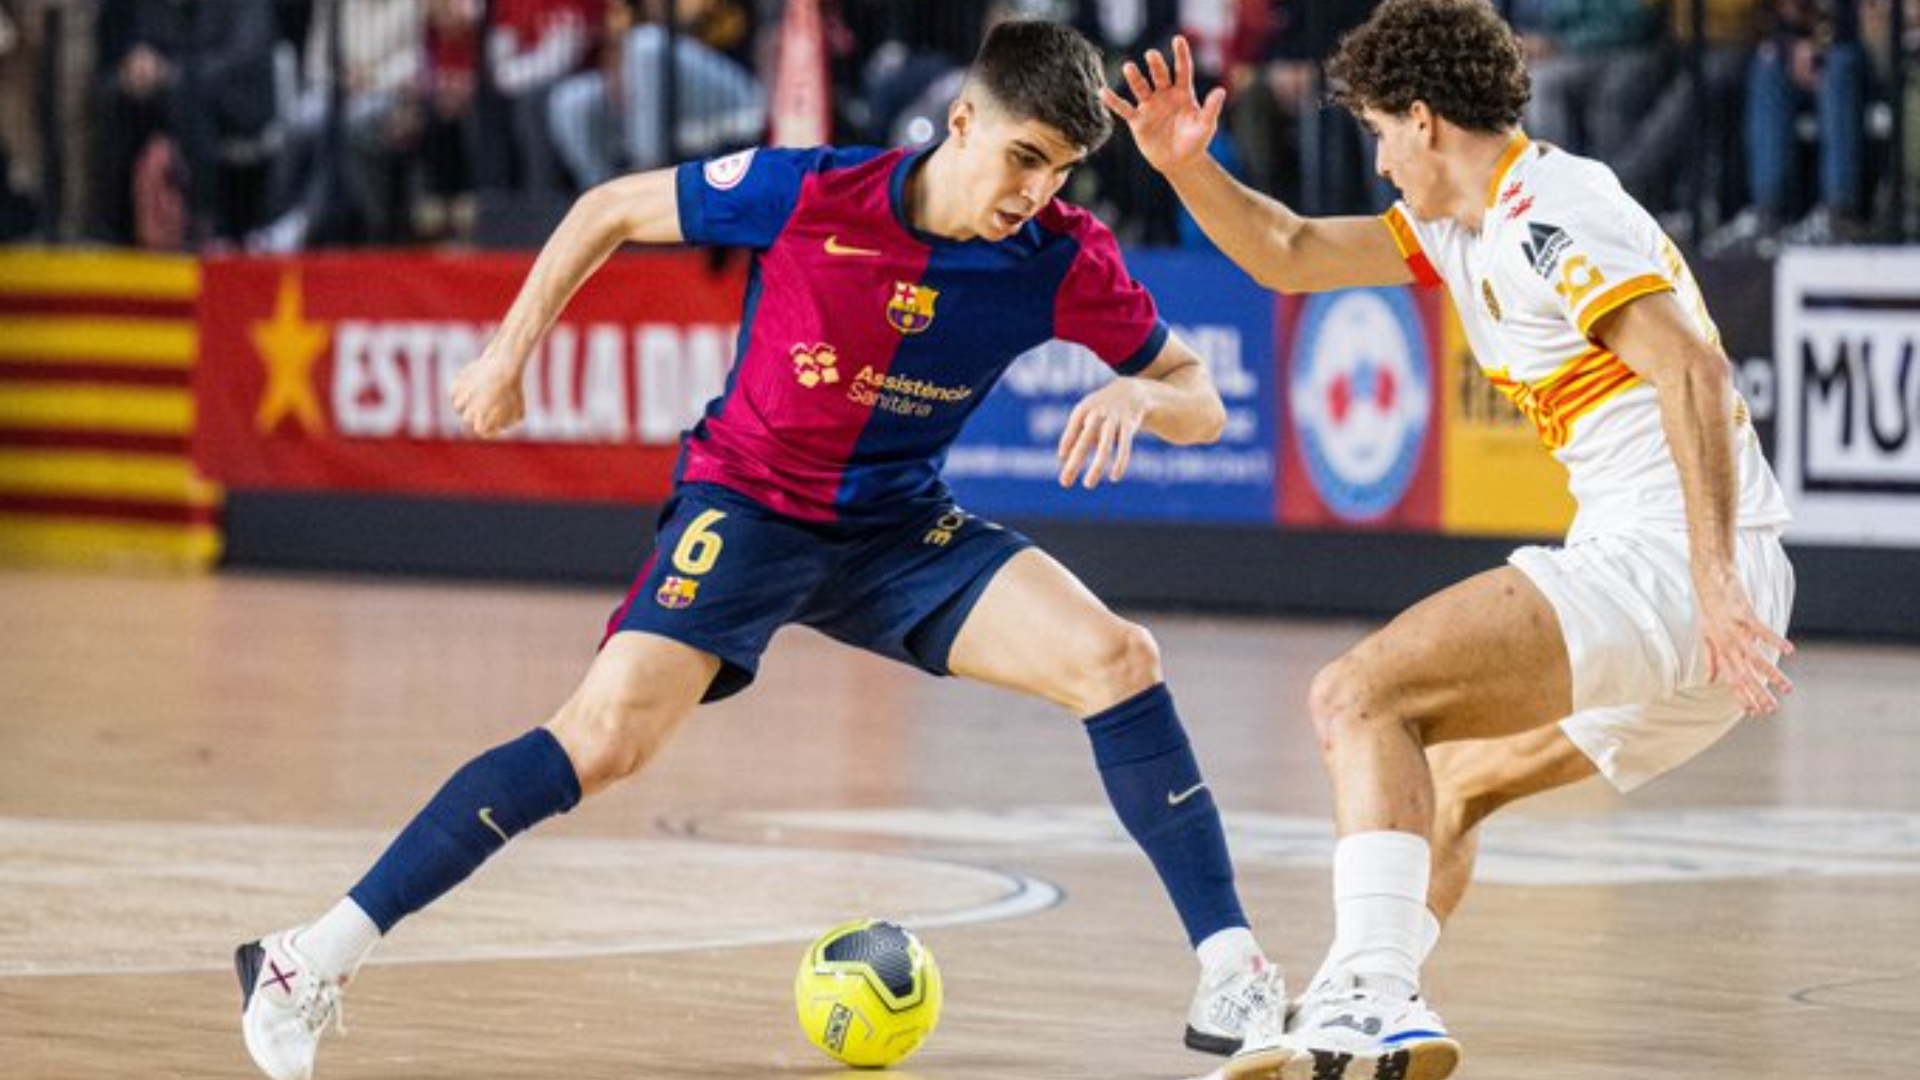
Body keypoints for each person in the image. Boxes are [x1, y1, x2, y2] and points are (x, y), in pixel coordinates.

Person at [233, 20, 1286, 1080]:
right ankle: (303, 963)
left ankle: (1233, 971)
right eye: (1021, 158)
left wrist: (1143, 394)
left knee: (1119, 660)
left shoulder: (1058, 256)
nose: (1032, 190)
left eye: (1058, 170)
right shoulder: (810, 191)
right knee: (604, 742)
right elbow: (608, 209)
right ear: (962, 121)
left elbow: (1199, 396)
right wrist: (509, 353)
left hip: (896, 530)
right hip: (746, 506)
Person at [1103, 2, 1795, 1078]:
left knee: (1357, 695)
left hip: (1676, 566)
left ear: (1425, 121)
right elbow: (1285, 253)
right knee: (1455, 782)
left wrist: (1709, 580)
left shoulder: (1547, 208)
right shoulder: (1460, 226)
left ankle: (1371, 997)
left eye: (1381, 133)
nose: (1379, 163)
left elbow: (1695, 374)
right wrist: (1188, 168)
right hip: (1698, 589)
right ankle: (1369, 999)